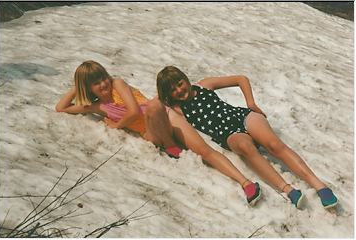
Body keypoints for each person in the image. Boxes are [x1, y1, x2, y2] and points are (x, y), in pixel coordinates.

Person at [56, 60, 262, 206]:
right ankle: (168, 144)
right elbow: (61, 108)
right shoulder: (97, 106)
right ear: (88, 87)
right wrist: (77, 88)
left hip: (166, 117)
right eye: (95, 82)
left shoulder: (117, 84)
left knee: (202, 149)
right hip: (151, 133)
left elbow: (134, 110)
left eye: (103, 78)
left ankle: (246, 184)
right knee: (154, 110)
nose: (103, 84)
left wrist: (116, 126)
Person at [156, 65, 338, 209]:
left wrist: (251, 103)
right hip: (228, 134)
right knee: (245, 148)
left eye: (180, 83)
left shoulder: (204, 84)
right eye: (172, 90)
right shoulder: (177, 110)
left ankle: (319, 185)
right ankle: (287, 189)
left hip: (242, 116)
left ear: (185, 79)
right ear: (167, 94)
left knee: (274, 145)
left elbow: (241, 79)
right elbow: (157, 111)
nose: (179, 90)